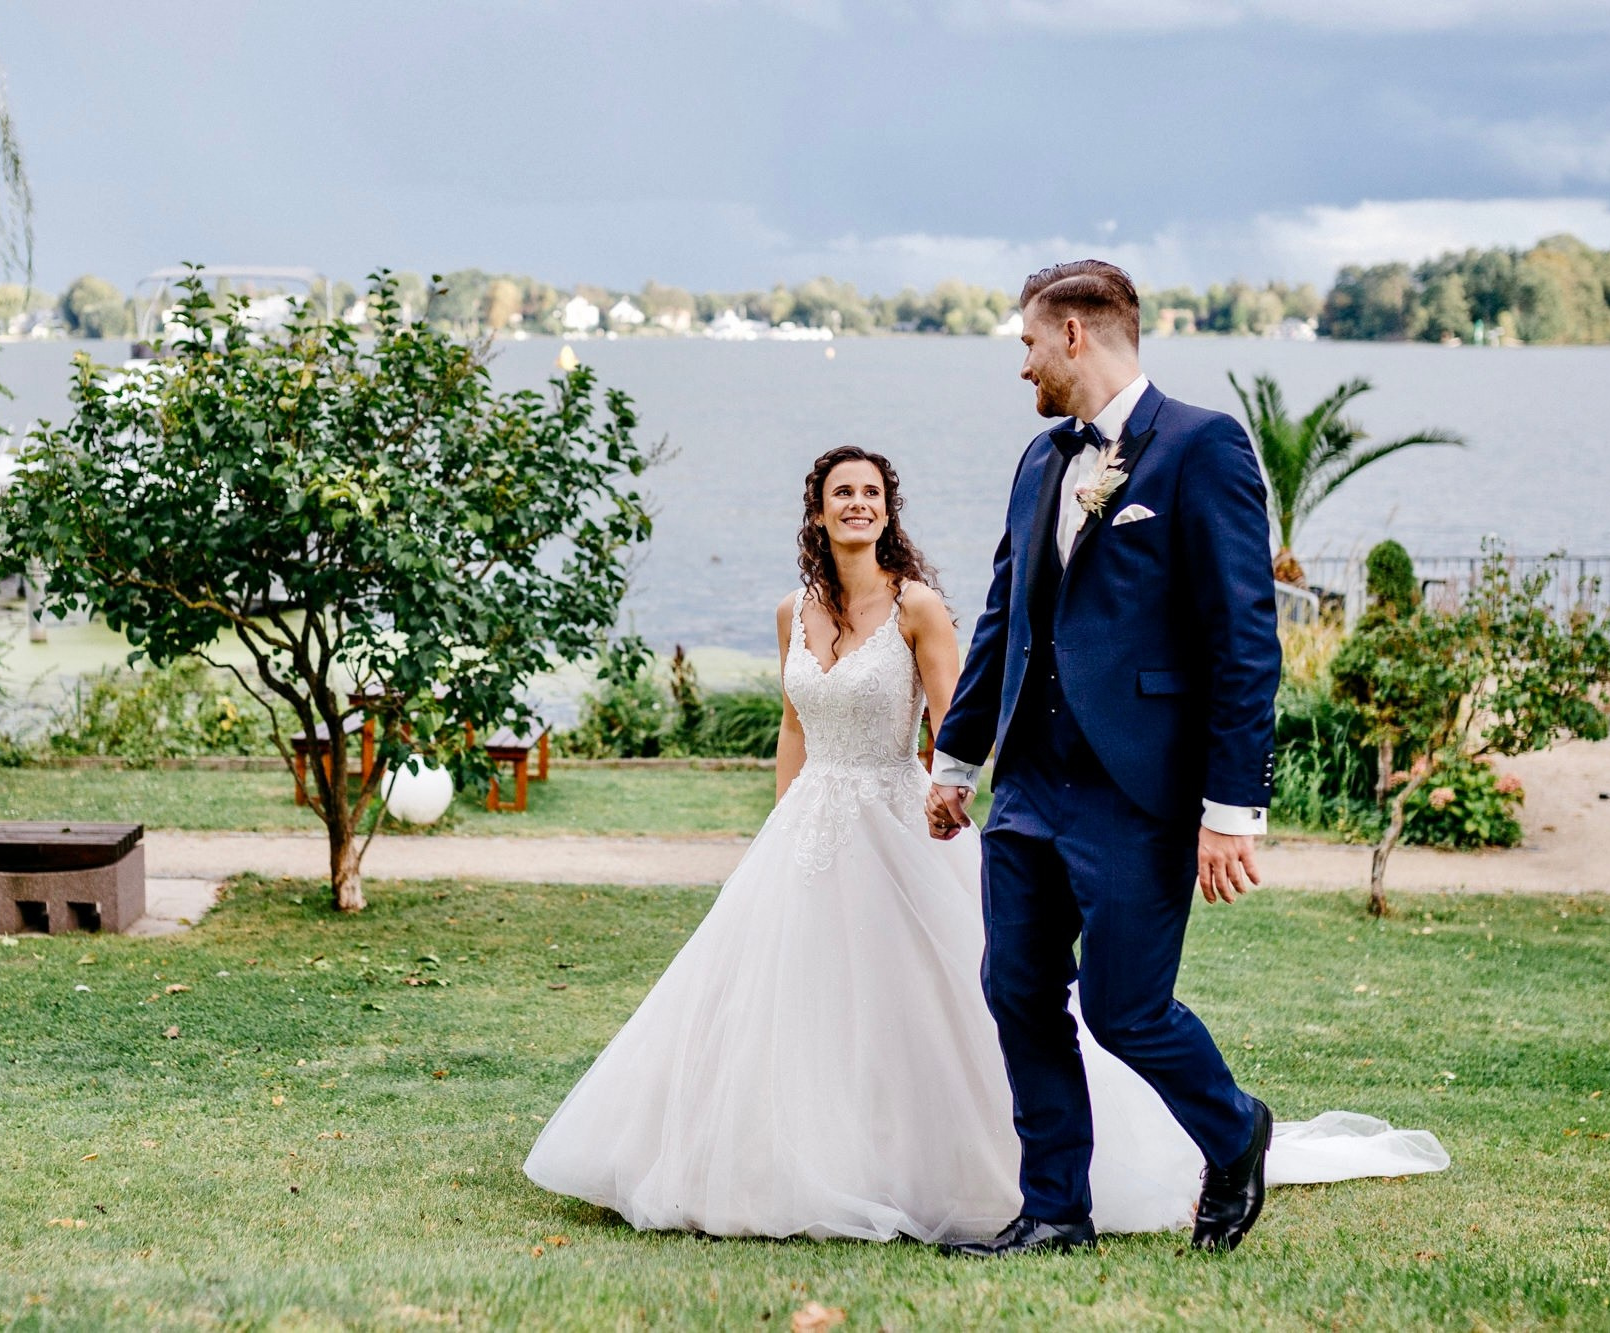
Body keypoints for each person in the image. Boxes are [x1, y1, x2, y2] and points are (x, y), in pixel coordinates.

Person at [521, 442, 1446, 1242]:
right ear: (815, 509)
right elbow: (793, 726)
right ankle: (797, 1154)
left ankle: (1042, 1172)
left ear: (887, 514)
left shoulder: (918, 605)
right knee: (792, 999)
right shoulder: (789, 611)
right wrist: (783, 815)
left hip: (902, 817)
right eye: (840, 492)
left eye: (871, 494)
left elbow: (959, 714)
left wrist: (947, 790)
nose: (856, 504)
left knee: (953, 996)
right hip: (806, 827)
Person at [926, 258, 1291, 1256]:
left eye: (1027, 345)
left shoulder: (1199, 447)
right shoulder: (1039, 461)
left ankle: (1233, 1128)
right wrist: (957, 762)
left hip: (1138, 789)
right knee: (1016, 989)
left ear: (1075, 335)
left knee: (1127, 1010)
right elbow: (1005, 616)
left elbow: (1243, 637)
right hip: (1029, 787)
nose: (1022, 367)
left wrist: (1231, 807)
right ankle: (1052, 1210)